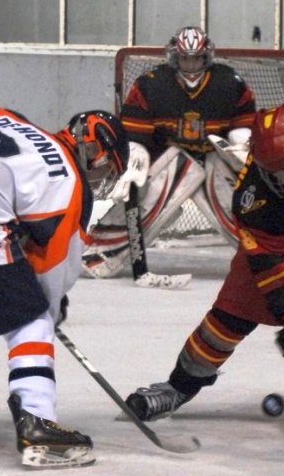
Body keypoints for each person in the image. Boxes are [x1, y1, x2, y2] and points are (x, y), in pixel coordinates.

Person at [122, 98, 284, 421]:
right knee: (233, 310)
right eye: (280, 175)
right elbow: (276, 275)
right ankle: (179, 386)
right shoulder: (253, 203)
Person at [0, 107, 130, 468]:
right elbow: (49, 270)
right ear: (96, 152)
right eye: (106, 169)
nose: (101, 179)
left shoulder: (15, 118)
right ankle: (38, 422)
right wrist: (52, 306)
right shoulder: (70, 182)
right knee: (31, 316)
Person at [83, 25, 256, 286]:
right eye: (185, 58)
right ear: (175, 56)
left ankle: (264, 257)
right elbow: (135, 136)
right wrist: (135, 163)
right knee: (145, 196)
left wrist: (241, 147)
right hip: (169, 160)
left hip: (214, 160)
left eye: (196, 58)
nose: (190, 64)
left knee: (239, 204)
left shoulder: (229, 82)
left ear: (206, 57)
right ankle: (100, 255)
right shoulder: (151, 84)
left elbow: (243, 126)